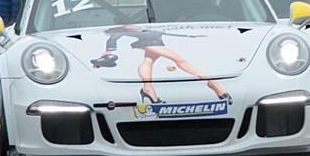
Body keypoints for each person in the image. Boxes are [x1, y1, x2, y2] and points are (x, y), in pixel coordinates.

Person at [93, 25, 231, 104]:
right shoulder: (131, 25)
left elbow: (168, 32)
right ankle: (212, 82)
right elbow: (115, 35)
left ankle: (148, 89)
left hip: (157, 42)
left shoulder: (153, 23)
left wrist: (191, 36)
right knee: (179, 60)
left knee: (149, 61)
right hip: (148, 43)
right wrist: (109, 52)